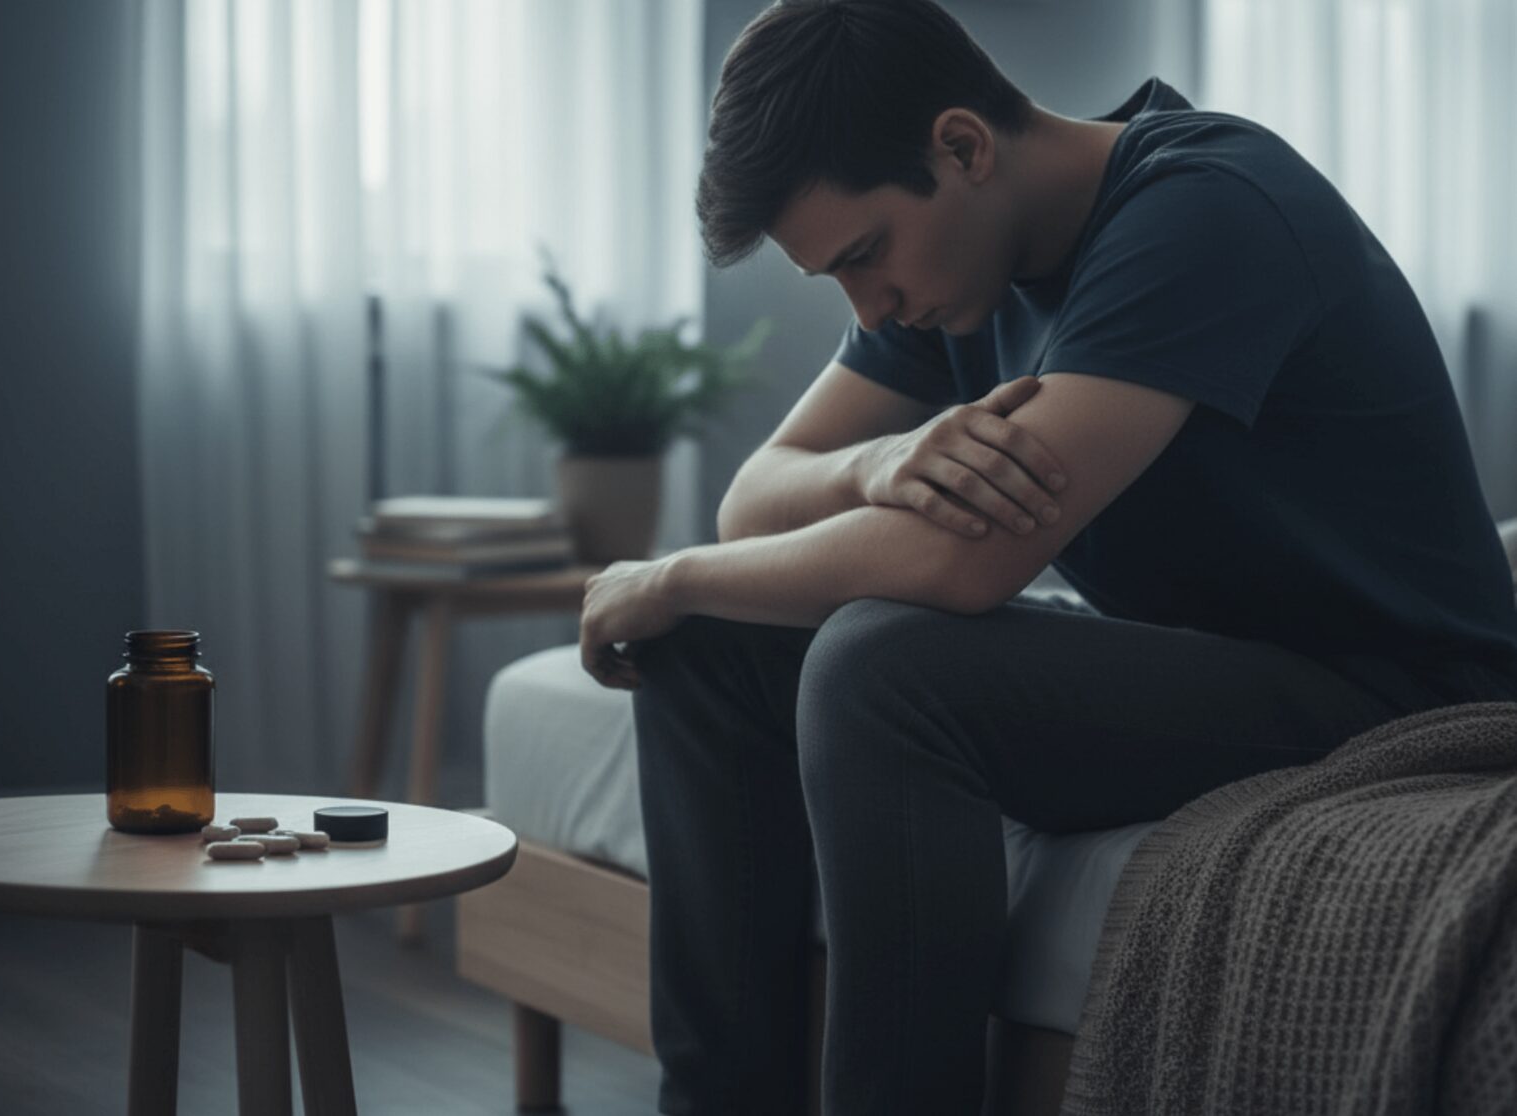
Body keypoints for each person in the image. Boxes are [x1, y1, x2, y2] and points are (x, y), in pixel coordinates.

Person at [572, 1, 1517, 1113]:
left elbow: (961, 564)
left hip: (1397, 690)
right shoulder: (952, 269)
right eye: (837, 277)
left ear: (962, 145)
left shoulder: (1205, 210)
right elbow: (753, 501)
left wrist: (669, 574)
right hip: (1206, 658)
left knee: (880, 666)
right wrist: (874, 462)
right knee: (707, 644)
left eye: (864, 254)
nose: (868, 305)